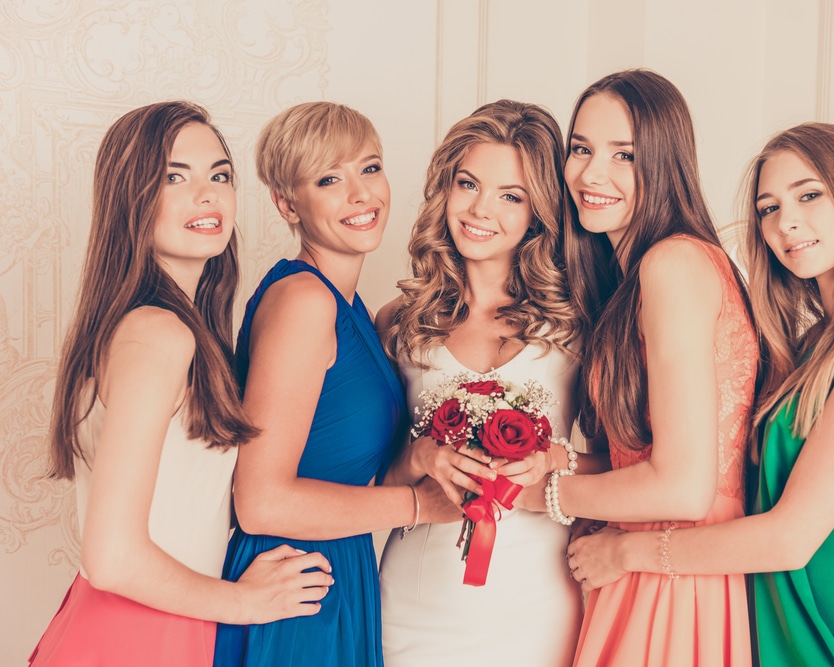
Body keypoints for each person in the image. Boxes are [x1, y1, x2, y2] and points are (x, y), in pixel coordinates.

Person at [566, 122, 834, 666]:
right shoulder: (805, 351)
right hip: (789, 634)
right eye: (769, 208)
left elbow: (789, 538)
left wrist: (625, 551)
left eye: (809, 195)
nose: (785, 223)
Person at [28, 101, 333, 667]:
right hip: (135, 634)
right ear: (131, 197)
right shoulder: (158, 334)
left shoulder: (158, 328)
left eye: (219, 175)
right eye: (175, 177)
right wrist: (244, 603)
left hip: (153, 626)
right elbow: (112, 556)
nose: (208, 195)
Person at [515, 69, 758, 666]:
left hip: (675, 566)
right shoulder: (645, 273)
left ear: (664, 162)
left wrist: (544, 494)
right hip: (656, 558)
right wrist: (564, 459)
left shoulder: (671, 263)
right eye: (581, 149)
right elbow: (658, 455)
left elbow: (684, 485)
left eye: (623, 155)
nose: (591, 174)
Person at [212, 102, 460, 667]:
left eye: (369, 168)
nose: (360, 194)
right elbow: (259, 502)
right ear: (286, 202)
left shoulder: (353, 309)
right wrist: (418, 506)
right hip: (295, 584)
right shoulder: (303, 301)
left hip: (338, 573)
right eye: (330, 179)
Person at [377, 99, 602, 667]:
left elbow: (631, 466)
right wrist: (421, 457)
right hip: (414, 597)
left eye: (511, 195)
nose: (480, 209)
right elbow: (371, 481)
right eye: (467, 183)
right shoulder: (399, 323)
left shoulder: (580, 322)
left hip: (538, 597)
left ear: (539, 211)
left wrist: (556, 460)